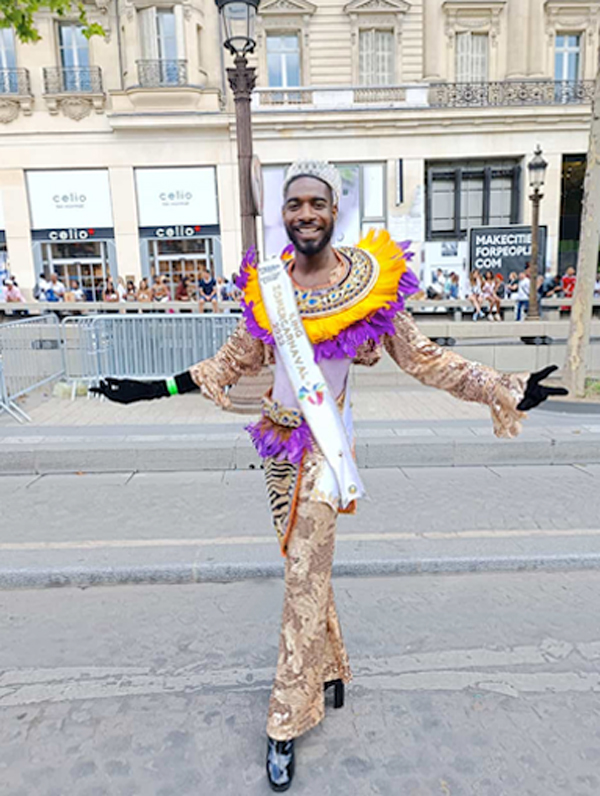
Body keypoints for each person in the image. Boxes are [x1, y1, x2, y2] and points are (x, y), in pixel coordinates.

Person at [91, 160, 567, 793]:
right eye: (294, 205)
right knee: (303, 565)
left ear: (334, 210)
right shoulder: (268, 286)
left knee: (299, 575)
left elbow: (424, 360)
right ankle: (334, 666)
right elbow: (235, 359)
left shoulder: (369, 284)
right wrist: (152, 389)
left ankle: (286, 719)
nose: (305, 214)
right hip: (278, 446)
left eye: (317, 203)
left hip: (327, 450)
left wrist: (502, 386)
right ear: (283, 214)